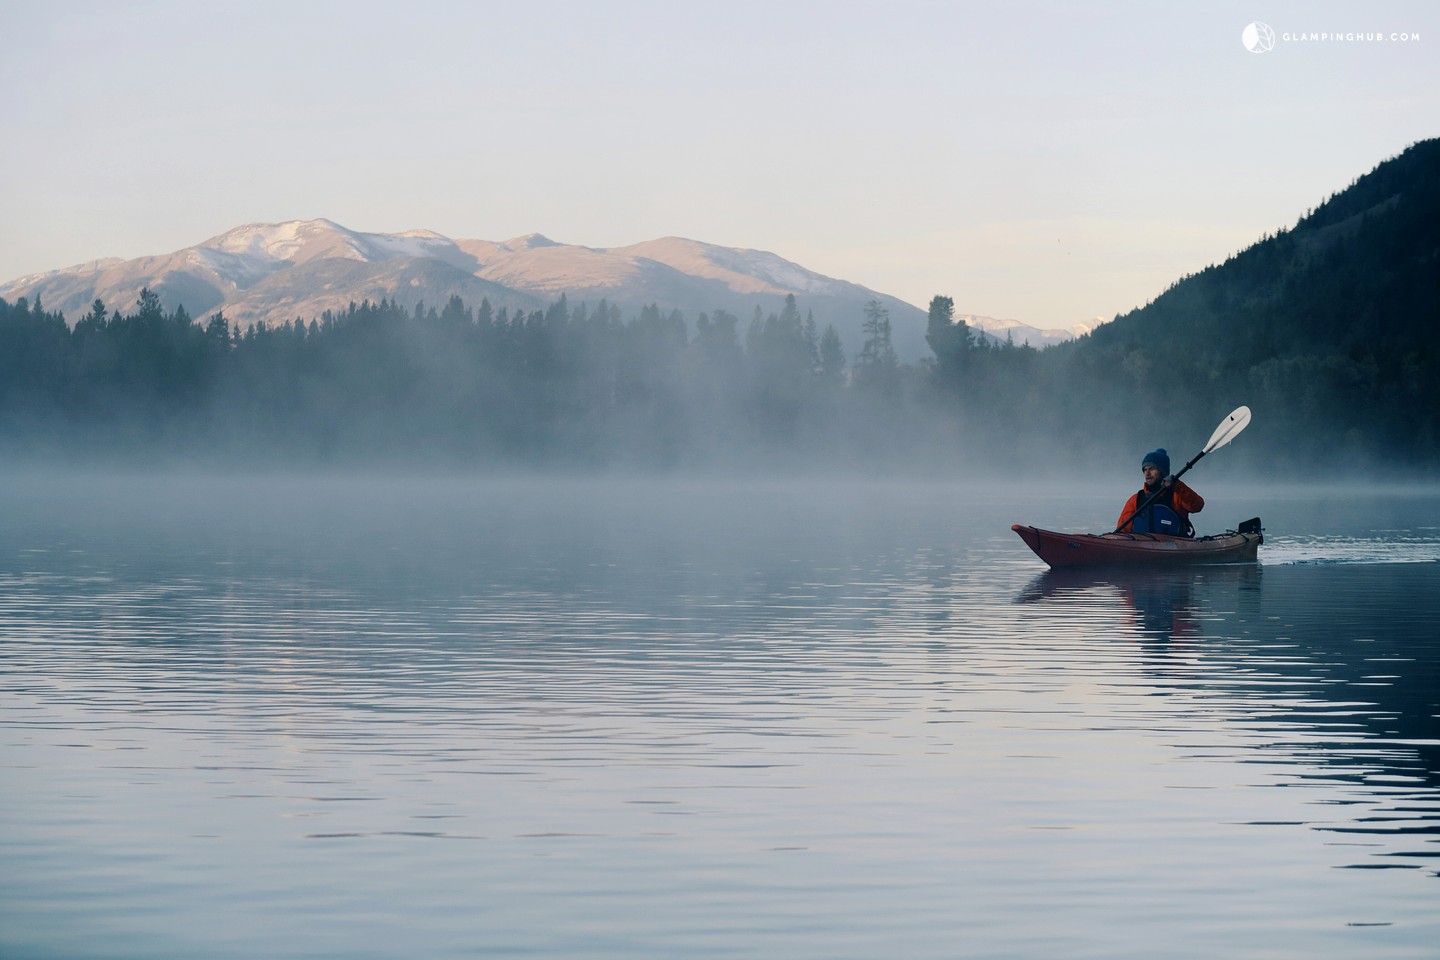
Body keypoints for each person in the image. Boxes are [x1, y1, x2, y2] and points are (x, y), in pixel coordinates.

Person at [1116, 448, 1204, 536]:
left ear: (1163, 472)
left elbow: (1198, 506)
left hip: (1174, 545)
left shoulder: (1177, 495)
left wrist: (1177, 485)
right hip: (1142, 544)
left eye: (1152, 468)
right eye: (1145, 469)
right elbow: (1122, 531)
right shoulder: (1135, 499)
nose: (1147, 473)